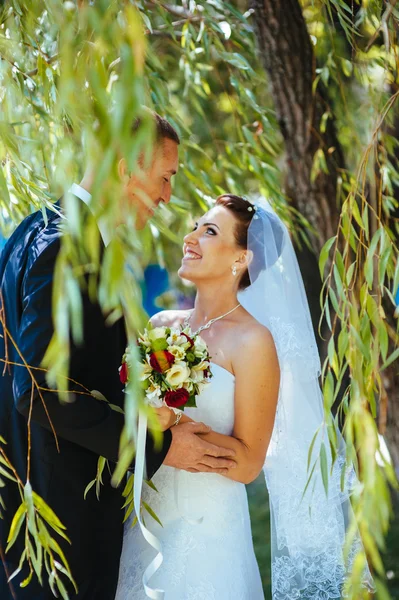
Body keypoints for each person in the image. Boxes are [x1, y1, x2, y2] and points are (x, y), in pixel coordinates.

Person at [0, 113, 236, 600]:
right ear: (127, 167)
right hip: (60, 529)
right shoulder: (64, 248)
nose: (169, 195)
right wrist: (162, 447)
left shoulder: (34, 230)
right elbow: (40, 391)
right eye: (166, 177)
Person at [116, 194, 374, 599]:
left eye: (210, 231)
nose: (190, 238)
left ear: (242, 259)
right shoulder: (161, 324)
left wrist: (173, 423)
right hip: (145, 518)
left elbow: (249, 463)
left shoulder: (253, 342)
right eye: (196, 227)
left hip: (208, 532)